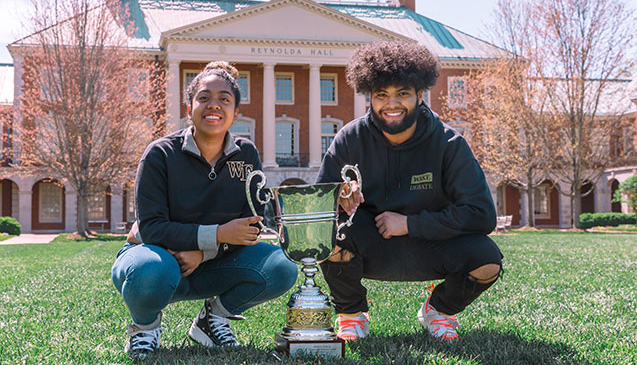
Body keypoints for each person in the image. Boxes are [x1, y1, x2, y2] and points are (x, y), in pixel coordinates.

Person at [111, 62, 298, 360]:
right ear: (189, 108)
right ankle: (144, 328)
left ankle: (213, 319)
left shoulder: (247, 155)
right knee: (150, 270)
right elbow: (152, 228)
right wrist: (219, 235)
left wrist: (205, 250)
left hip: (213, 263)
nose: (214, 105)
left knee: (282, 266)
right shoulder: (161, 153)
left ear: (236, 113)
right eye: (204, 97)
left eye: (224, 99)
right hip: (159, 260)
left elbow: (251, 225)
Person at [317, 42, 503, 342]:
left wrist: (410, 224)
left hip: (432, 245)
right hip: (370, 246)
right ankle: (352, 315)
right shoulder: (349, 138)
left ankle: (439, 310)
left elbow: (481, 214)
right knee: (328, 235)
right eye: (381, 95)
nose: (392, 104)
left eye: (402, 93)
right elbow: (319, 207)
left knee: (487, 259)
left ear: (420, 94)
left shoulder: (448, 143)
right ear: (370, 97)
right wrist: (340, 200)